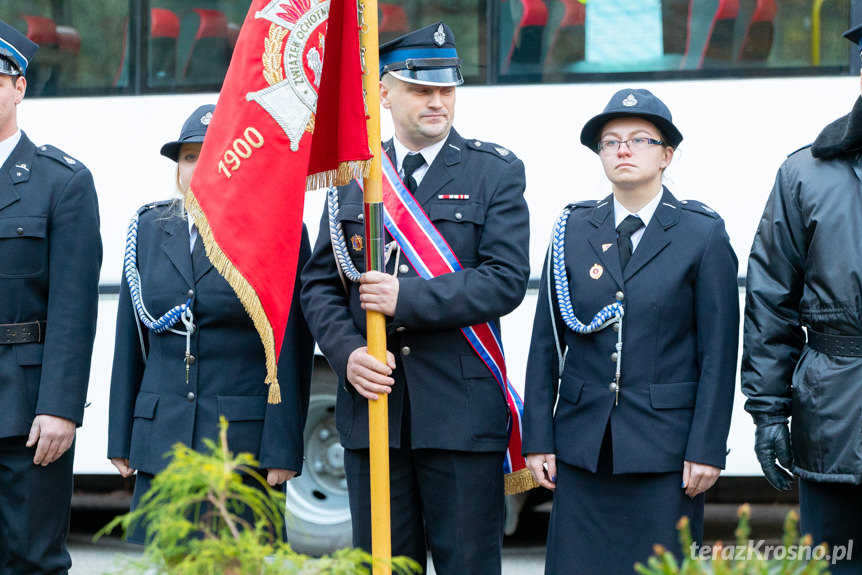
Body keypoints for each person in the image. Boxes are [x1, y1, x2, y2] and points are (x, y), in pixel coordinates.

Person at [300, 21, 530, 574]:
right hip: (374, 409)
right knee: (382, 565)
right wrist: (347, 352)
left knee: (467, 565)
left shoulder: (492, 171)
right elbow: (320, 284)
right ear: (383, 91)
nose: (437, 102)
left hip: (458, 412)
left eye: (446, 89)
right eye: (421, 88)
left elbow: (505, 279)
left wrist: (408, 297)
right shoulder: (354, 175)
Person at [522, 89, 739, 573]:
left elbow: (719, 355)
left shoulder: (701, 234)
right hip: (582, 448)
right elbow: (546, 345)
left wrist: (706, 448)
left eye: (640, 139)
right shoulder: (572, 229)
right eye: (610, 141)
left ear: (667, 154)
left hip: (665, 452)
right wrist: (538, 438)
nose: (623, 149)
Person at [107, 104, 313, 544]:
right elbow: (131, 340)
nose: (198, 166)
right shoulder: (147, 228)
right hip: (162, 438)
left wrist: (283, 448)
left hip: (240, 443)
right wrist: (121, 437)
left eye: (212, 152)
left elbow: (291, 349)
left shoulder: (279, 232)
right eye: (188, 156)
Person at [740, 23, 862, 575]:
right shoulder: (806, 172)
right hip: (836, 413)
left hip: (832, 406)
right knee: (839, 564)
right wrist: (769, 414)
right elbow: (770, 299)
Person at [0, 19, 102, 575]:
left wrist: (60, 406)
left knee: (31, 560)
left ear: (20, 87)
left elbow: (73, 307)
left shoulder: (61, 182)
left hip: (24, 410)